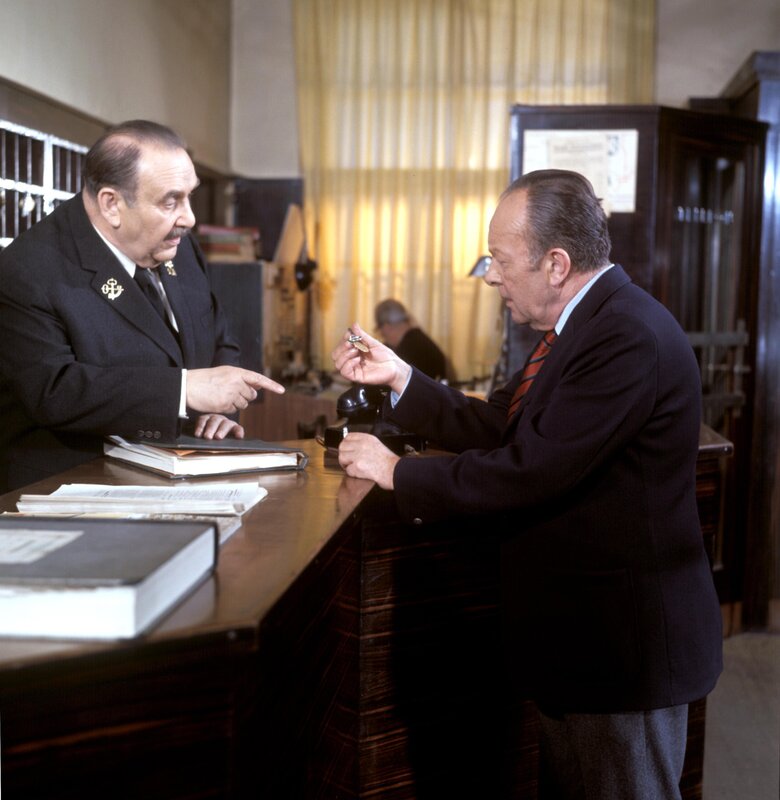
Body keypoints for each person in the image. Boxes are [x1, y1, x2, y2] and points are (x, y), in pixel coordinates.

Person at [332, 170, 722, 798]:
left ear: (556, 264)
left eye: (501, 260)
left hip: (622, 651)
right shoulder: (581, 327)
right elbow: (499, 424)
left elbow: (532, 469)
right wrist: (401, 376)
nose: (490, 276)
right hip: (582, 646)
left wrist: (398, 472)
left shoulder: (626, 336)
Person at [0, 119, 284, 493]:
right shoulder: (28, 270)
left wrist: (219, 408)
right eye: (170, 201)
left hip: (178, 477)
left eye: (190, 196)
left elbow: (217, 334)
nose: (189, 218)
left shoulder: (177, 245)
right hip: (71, 488)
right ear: (111, 204)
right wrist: (183, 391)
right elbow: (55, 391)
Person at [374, 298, 447, 380]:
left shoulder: (405, 353)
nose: (382, 336)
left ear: (386, 327)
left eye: (380, 331)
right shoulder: (420, 341)